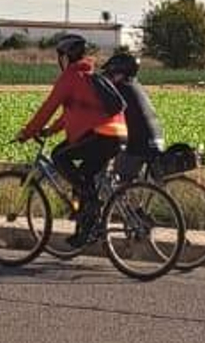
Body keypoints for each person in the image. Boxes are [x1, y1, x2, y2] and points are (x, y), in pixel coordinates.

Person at [16, 32, 127, 234]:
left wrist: (27, 132)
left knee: (59, 156)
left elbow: (48, 108)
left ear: (66, 56)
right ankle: (87, 229)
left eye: (60, 56)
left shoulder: (70, 77)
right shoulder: (89, 75)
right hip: (117, 134)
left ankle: (92, 205)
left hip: (100, 135)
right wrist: (51, 130)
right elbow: (73, 112)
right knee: (85, 176)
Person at [101, 47, 164, 177]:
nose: (109, 77)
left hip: (139, 143)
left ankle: (120, 196)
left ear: (119, 73)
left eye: (110, 73)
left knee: (117, 180)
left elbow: (104, 113)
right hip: (157, 139)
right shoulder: (136, 86)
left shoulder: (119, 89)